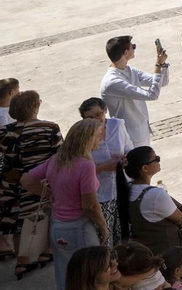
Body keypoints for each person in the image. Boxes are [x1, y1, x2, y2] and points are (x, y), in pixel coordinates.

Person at [22, 118, 106, 290]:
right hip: (79, 227)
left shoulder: (56, 160)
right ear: (87, 138)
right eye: (99, 135)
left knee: (65, 274)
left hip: (58, 226)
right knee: (91, 276)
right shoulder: (86, 166)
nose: (102, 138)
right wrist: (103, 226)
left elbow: (27, 180)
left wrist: (50, 194)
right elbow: (89, 205)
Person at [1, 90, 60, 277]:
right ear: (35, 107)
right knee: (45, 215)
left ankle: (22, 262)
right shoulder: (49, 128)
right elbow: (59, 157)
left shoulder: (4, 132)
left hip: (9, 185)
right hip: (38, 182)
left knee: (18, 222)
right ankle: (45, 252)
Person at [122, 148, 182, 262]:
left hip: (148, 254)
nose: (158, 161)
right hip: (168, 255)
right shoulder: (155, 195)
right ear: (145, 168)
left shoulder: (129, 189)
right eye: (156, 159)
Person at [76, 99, 127, 247]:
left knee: (123, 234)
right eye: (90, 117)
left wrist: (125, 160)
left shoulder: (117, 125)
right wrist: (102, 168)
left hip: (119, 188)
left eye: (98, 114)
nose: (96, 119)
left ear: (105, 110)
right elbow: (78, 170)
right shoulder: (82, 136)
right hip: (99, 195)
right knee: (104, 239)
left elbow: (128, 147)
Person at [100, 36, 167, 146]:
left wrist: (163, 65)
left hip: (141, 131)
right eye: (133, 47)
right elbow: (152, 95)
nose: (135, 49)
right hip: (129, 137)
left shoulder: (129, 69)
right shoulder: (113, 81)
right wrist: (158, 65)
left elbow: (161, 82)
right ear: (126, 53)